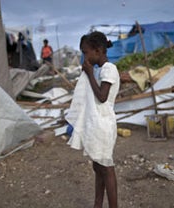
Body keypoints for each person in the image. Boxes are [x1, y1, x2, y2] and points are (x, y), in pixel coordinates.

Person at [65, 31, 120, 208]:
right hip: (96, 123)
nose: (84, 57)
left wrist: (89, 74)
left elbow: (102, 97)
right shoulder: (99, 70)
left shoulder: (109, 69)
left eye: (86, 52)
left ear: (97, 51)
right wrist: (90, 73)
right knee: (98, 167)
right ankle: (98, 204)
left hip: (103, 124)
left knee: (106, 167)